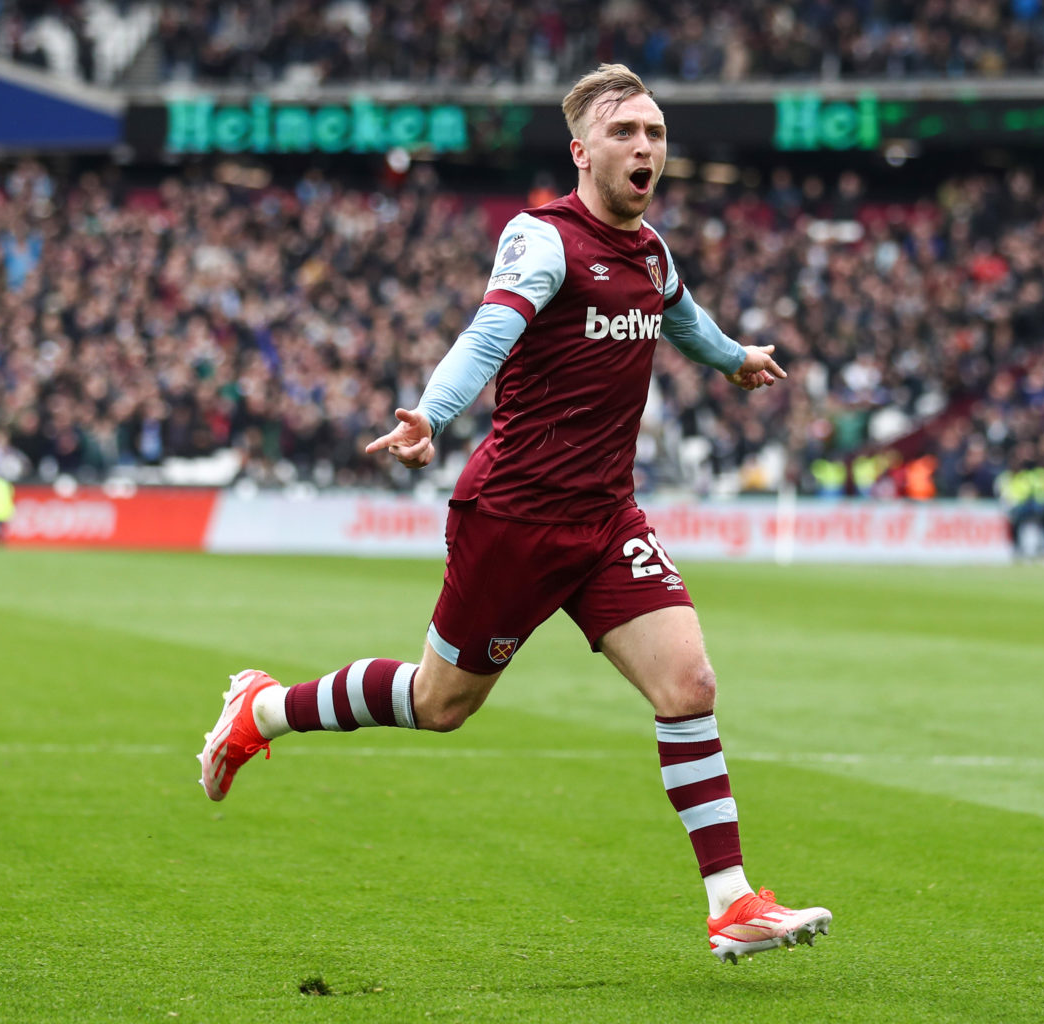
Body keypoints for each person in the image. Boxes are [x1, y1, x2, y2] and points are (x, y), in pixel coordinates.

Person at [198, 64, 831, 964]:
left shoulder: (650, 251)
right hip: (514, 518)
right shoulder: (543, 239)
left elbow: (678, 318)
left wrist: (733, 359)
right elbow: (490, 332)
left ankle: (730, 900)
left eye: (653, 133)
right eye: (625, 134)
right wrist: (431, 412)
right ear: (582, 152)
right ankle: (262, 711)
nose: (645, 147)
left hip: (608, 520)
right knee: (439, 703)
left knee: (689, 686)